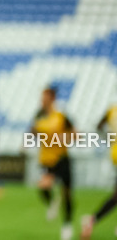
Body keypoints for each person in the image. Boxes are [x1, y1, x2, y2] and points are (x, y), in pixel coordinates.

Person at [32, 86, 77, 239]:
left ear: (51, 99)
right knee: (43, 187)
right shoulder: (38, 116)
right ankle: (52, 203)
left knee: (67, 194)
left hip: (62, 159)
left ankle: (67, 224)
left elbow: (75, 133)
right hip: (47, 160)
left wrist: (66, 138)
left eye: (44, 97)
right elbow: (33, 132)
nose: (42, 100)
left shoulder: (61, 117)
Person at [79, 104, 117, 238]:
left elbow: (99, 127)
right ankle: (91, 221)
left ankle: (91, 221)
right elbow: (99, 127)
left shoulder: (111, 111)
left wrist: (109, 138)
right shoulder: (111, 111)